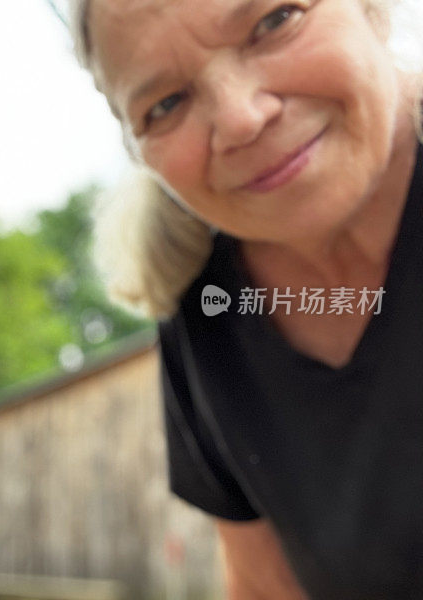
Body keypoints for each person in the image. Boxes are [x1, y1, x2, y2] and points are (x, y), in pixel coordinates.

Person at [68, 0, 423, 597]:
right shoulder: (203, 307)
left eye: (275, 21)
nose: (240, 118)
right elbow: (264, 586)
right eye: (167, 104)